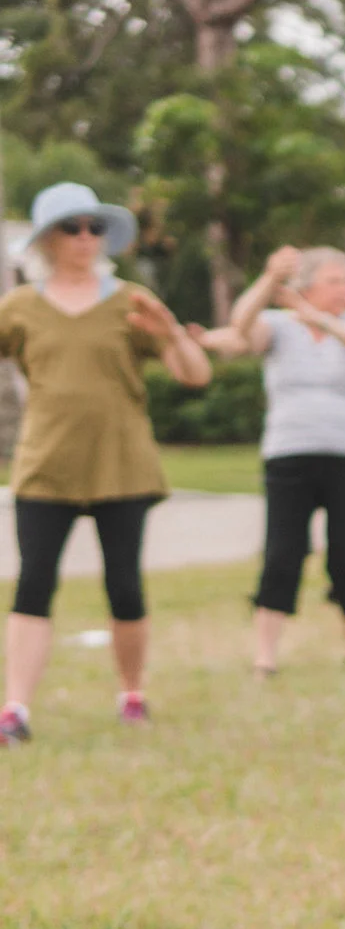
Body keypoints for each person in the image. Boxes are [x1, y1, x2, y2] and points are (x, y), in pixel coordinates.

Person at [0, 182, 210, 745]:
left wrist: (169, 333)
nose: (86, 238)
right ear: (47, 239)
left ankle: (132, 695)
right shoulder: (19, 307)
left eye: (94, 227)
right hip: (46, 465)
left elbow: (195, 375)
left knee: (125, 586)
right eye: (72, 228)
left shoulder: (130, 301)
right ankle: (15, 709)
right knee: (33, 587)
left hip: (123, 464)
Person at [223, 246, 345, 676]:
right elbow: (240, 326)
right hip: (290, 454)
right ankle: (265, 657)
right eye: (333, 281)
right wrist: (268, 279)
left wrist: (322, 321)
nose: (343, 289)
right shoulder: (278, 326)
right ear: (308, 286)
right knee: (282, 553)